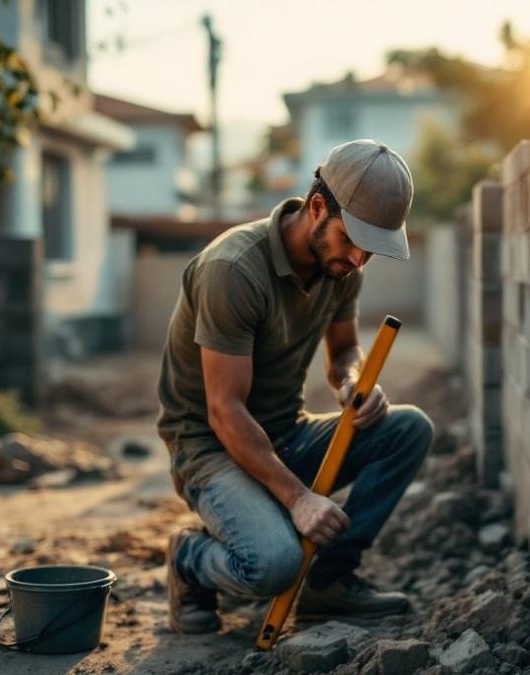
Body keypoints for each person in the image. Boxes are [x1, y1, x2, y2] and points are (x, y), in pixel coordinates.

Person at [156, 139, 434, 634]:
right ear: (318, 206)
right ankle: (190, 558)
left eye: (371, 249)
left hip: (285, 434)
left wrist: (352, 383)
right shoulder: (233, 271)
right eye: (352, 240)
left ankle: (329, 582)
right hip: (211, 447)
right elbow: (224, 412)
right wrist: (298, 499)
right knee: (274, 564)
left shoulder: (343, 268)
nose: (358, 260)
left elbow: (344, 351)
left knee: (408, 429)